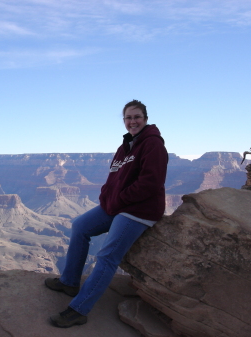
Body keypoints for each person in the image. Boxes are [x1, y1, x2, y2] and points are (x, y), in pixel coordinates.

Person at [45, 99, 168, 328]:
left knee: (107, 256)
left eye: (137, 117)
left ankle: (79, 310)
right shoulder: (125, 146)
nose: (133, 121)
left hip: (139, 210)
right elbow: (113, 178)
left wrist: (118, 200)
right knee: (80, 226)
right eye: (128, 118)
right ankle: (69, 282)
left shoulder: (154, 145)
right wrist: (106, 197)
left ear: (146, 119)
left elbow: (151, 183)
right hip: (120, 205)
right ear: (124, 121)